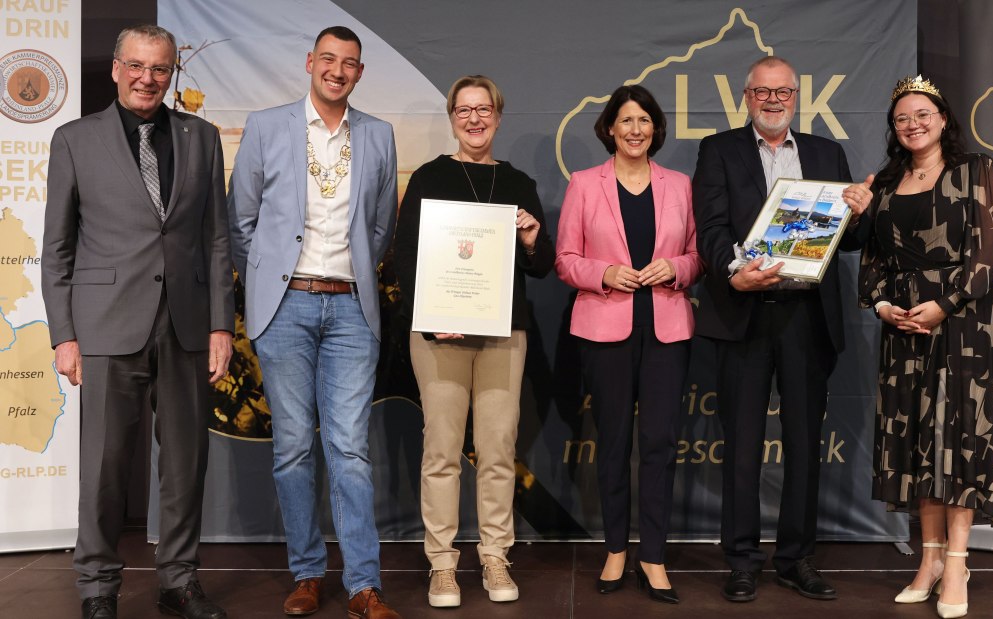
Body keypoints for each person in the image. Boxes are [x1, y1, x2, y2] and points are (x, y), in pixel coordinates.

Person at [41, 24, 233, 619]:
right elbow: (57, 248)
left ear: (172, 73)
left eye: (160, 69)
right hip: (105, 325)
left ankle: (179, 582)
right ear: (116, 69)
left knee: (185, 464)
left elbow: (217, 239)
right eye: (137, 66)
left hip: (187, 325)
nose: (148, 79)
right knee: (104, 467)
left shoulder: (201, 137)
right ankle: (97, 587)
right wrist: (64, 335)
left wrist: (221, 326)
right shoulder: (74, 139)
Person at [226, 27, 400, 619]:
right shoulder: (266, 126)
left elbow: (381, 226)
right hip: (286, 307)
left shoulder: (378, 134)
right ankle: (306, 573)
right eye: (328, 58)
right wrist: (270, 285)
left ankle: (363, 585)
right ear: (309, 63)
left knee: (350, 448)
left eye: (349, 62)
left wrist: (351, 277)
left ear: (359, 73)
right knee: (294, 448)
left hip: (351, 307)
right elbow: (241, 223)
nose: (337, 70)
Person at [691, 56, 871, 603]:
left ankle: (796, 559)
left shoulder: (825, 153)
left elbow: (848, 241)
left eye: (783, 92)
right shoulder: (718, 150)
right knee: (742, 446)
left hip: (805, 317)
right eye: (763, 91)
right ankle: (742, 560)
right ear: (746, 97)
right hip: (744, 312)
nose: (774, 100)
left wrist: (860, 213)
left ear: (797, 96)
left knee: (803, 445)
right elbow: (710, 227)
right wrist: (734, 271)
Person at [857, 75, 993, 619]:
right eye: (902, 117)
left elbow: (988, 253)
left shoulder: (975, 169)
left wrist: (945, 304)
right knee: (917, 442)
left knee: (958, 437)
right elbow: (873, 258)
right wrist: (883, 305)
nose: (913, 124)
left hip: (962, 324)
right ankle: (928, 560)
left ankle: (956, 562)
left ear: (943, 119)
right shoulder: (885, 182)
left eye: (922, 114)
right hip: (904, 327)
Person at [392, 75, 554, 608]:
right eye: (464, 110)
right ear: (452, 118)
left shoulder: (519, 183)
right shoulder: (428, 177)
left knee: (498, 448)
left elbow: (542, 265)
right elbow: (405, 256)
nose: (475, 119)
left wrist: (531, 238)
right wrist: (434, 313)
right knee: (441, 449)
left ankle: (494, 555)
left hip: (503, 333)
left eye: (484, 110)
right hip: (439, 334)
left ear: (498, 118)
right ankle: (443, 565)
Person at [556, 85, 703, 605]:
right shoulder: (584, 183)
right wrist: (604, 273)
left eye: (644, 120)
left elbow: (698, 255)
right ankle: (616, 549)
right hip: (605, 331)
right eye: (626, 120)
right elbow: (565, 259)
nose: (635, 129)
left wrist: (676, 267)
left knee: (660, 444)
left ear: (655, 129)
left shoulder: (680, 185)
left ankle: (654, 556)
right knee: (614, 443)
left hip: (667, 331)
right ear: (610, 129)